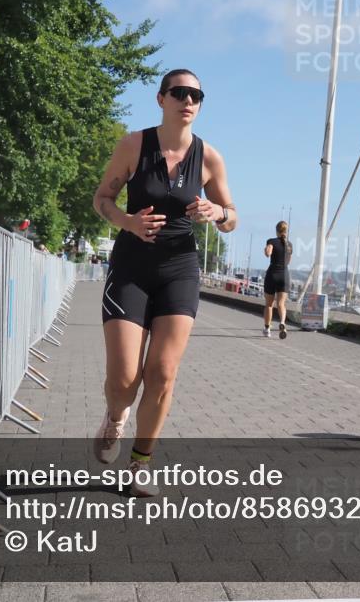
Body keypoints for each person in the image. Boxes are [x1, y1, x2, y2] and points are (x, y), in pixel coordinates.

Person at [91, 68, 236, 495]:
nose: (188, 100)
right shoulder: (134, 145)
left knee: (163, 373)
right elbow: (102, 198)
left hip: (179, 269)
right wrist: (127, 221)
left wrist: (218, 214)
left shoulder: (209, 157)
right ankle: (115, 417)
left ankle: (140, 463)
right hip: (132, 265)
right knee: (124, 378)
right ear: (161, 99)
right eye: (179, 92)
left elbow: (232, 216)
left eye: (196, 94)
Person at [262, 221, 292, 338]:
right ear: (286, 231)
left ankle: (267, 329)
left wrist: (266, 250)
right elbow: (288, 261)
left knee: (269, 305)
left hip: (272, 274)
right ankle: (282, 322)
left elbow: (268, 253)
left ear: (276, 230)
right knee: (281, 304)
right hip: (284, 275)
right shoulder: (289, 245)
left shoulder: (271, 241)